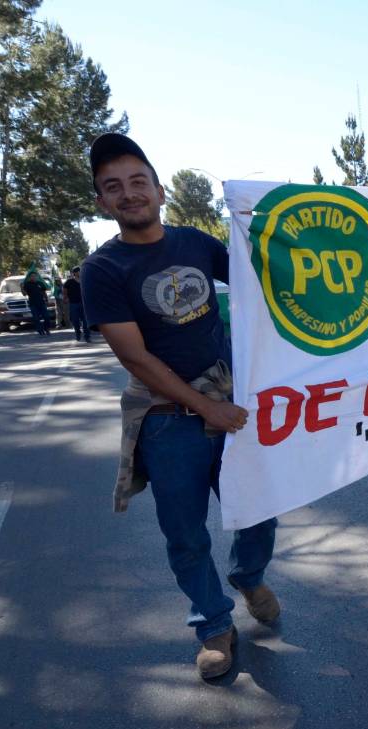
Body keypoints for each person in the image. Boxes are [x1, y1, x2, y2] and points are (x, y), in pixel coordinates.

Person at [80, 132, 279, 681]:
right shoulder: (103, 270)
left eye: (138, 182)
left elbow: (259, 278)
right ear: (102, 203)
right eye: (113, 188)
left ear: (160, 190)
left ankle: (248, 574)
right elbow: (135, 358)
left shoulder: (195, 242)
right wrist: (206, 410)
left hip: (232, 408)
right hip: (169, 426)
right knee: (186, 536)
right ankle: (214, 625)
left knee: (260, 511)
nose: (129, 194)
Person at [63, 266, 91, 342]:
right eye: (78, 271)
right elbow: (65, 289)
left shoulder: (84, 280)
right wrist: (65, 297)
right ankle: (78, 333)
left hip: (84, 303)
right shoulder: (69, 281)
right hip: (73, 304)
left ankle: (87, 336)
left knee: (85, 321)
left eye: (80, 271)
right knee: (75, 321)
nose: (80, 272)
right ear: (74, 273)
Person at [22, 271, 51, 336]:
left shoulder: (40, 283)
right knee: (36, 318)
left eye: (34, 276)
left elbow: (44, 292)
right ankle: (40, 331)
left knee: (46, 316)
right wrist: (21, 287)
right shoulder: (27, 284)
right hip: (33, 304)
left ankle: (47, 329)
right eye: (32, 276)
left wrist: (46, 300)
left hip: (42, 303)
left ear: (37, 277)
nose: (33, 277)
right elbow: (24, 294)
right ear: (29, 277)